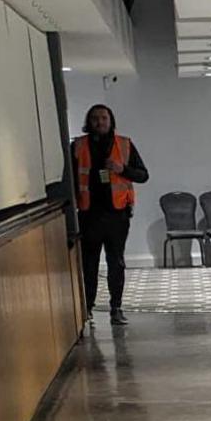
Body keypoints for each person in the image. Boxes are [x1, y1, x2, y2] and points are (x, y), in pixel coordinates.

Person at [72, 103, 149, 325]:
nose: (100, 122)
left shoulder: (124, 144)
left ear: (111, 120)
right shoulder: (78, 146)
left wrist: (121, 169)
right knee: (89, 264)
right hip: (89, 214)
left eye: (104, 118)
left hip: (117, 215)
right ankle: (87, 308)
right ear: (89, 121)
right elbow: (69, 179)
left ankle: (116, 308)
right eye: (95, 118)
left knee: (116, 262)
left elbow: (143, 175)